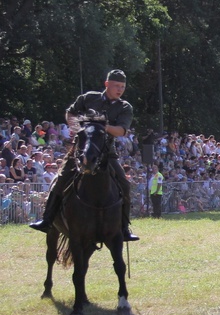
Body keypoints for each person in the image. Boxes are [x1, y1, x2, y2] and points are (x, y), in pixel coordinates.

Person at [29, 69, 140, 241]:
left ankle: (124, 228)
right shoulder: (89, 97)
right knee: (60, 179)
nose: (120, 90)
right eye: (116, 86)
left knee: (124, 184)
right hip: (79, 151)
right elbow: (70, 113)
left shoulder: (124, 107)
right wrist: (78, 127)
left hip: (106, 153)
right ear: (107, 84)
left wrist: (102, 126)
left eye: (123, 87)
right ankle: (47, 219)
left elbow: (121, 131)